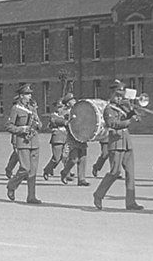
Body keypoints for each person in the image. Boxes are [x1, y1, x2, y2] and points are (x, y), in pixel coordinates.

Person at [93, 81, 143, 210]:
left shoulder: (124, 107)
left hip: (126, 143)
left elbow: (131, 116)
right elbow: (113, 124)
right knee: (115, 172)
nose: (120, 98)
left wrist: (134, 113)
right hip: (116, 143)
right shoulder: (109, 109)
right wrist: (128, 121)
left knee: (130, 174)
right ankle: (98, 195)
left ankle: (130, 202)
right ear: (112, 94)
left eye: (121, 96)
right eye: (117, 95)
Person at [6, 84, 42, 204]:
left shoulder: (32, 109)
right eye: (27, 94)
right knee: (25, 168)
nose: (29, 96)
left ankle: (31, 196)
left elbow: (40, 125)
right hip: (23, 142)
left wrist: (37, 123)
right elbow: (8, 126)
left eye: (30, 94)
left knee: (33, 171)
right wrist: (22, 129)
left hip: (34, 142)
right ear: (21, 96)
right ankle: (11, 185)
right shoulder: (16, 109)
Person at [59, 93, 90, 186]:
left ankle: (81, 179)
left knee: (83, 158)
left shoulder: (80, 110)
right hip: (73, 137)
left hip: (82, 136)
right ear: (68, 103)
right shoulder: (65, 112)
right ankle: (64, 172)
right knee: (74, 159)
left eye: (74, 99)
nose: (74, 101)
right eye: (71, 100)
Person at [42, 99, 68, 180]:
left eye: (62, 107)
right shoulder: (53, 116)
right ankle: (47, 169)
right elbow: (56, 121)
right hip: (57, 139)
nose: (61, 109)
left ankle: (67, 174)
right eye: (59, 107)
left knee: (66, 156)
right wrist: (65, 122)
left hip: (66, 138)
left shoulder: (66, 115)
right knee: (56, 158)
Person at [5, 95, 20, 179]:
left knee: (23, 155)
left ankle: (23, 171)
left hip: (24, 136)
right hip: (16, 135)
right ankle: (9, 169)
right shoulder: (15, 111)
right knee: (17, 154)